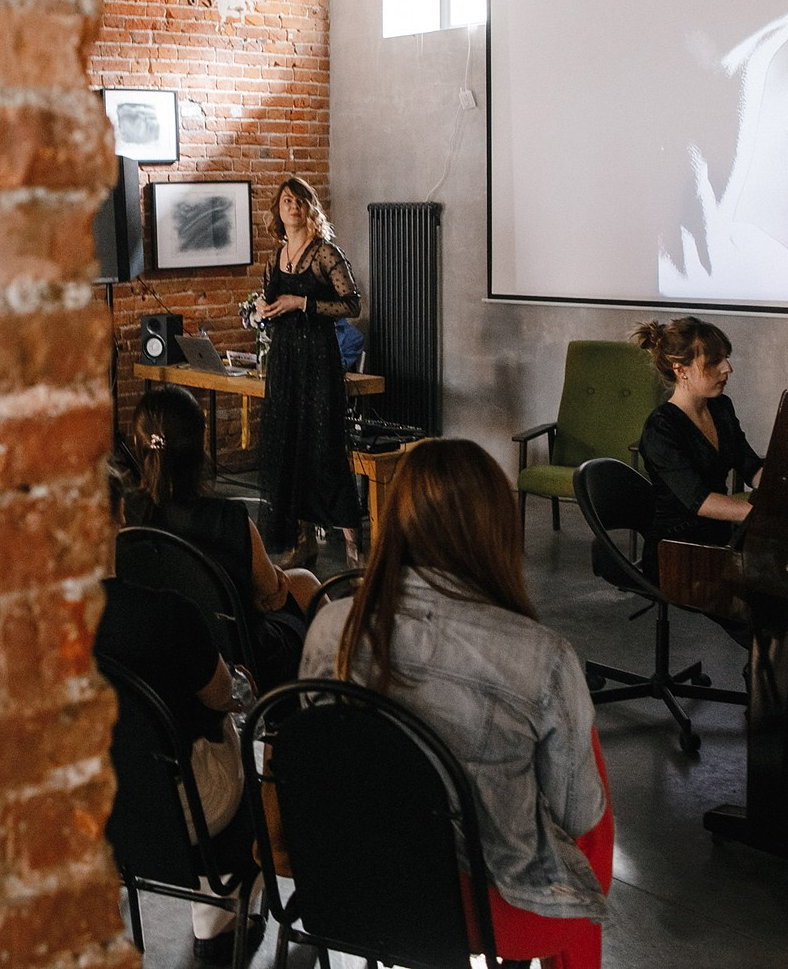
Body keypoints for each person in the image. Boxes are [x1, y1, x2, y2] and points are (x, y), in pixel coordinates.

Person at [300, 439, 612, 966]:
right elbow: (576, 815)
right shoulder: (543, 657)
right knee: (590, 788)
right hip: (492, 905)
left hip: (361, 880)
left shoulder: (334, 626)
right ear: (496, 529)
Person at [94, 574, 260, 964]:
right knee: (234, 725)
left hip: (84, 806)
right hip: (183, 807)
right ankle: (218, 926)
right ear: (116, 518)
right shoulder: (167, 613)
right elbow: (224, 697)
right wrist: (241, 686)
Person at [123, 386, 318, 691]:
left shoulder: (124, 519)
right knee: (306, 583)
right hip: (241, 662)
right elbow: (271, 593)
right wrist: (264, 586)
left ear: (136, 443)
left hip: (157, 665)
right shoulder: (230, 519)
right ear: (202, 447)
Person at [253, 177, 362, 564]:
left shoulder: (325, 254)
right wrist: (262, 313)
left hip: (318, 363)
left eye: (299, 200)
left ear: (309, 208)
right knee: (289, 450)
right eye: (285, 201)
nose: (292, 207)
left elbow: (352, 306)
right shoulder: (274, 259)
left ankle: (353, 544)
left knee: (326, 450)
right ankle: (302, 542)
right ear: (277, 211)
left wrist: (302, 302)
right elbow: (267, 309)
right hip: (284, 364)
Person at [632, 317, 764, 547]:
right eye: (714, 361)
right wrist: (763, 514)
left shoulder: (721, 407)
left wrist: (787, 488)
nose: (727, 368)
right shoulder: (661, 427)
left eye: (726, 358)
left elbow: (750, 466)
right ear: (681, 370)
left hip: (719, 538)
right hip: (678, 547)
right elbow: (699, 501)